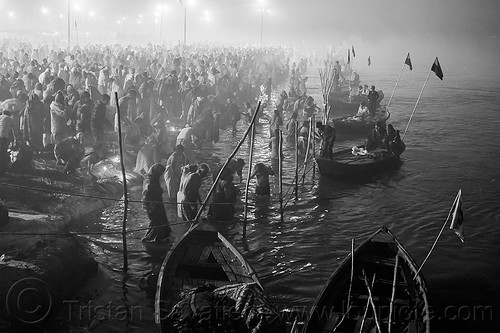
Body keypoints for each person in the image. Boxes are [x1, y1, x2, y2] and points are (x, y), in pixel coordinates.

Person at [142, 163, 171, 243]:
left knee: (160, 221)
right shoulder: (150, 182)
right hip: (154, 205)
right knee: (157, 222)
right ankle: (155, 237)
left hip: (158, 204)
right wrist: (151, 207)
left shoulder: (154, 180)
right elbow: (147, 195)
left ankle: (160, 236)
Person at [0, 111, 16, 175]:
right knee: (3, 153)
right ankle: (3, 169)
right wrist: (15, 141)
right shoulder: (10, 119)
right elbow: (15, 131)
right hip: (3, 137)